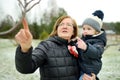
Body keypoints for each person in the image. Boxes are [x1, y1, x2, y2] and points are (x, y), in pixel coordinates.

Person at [15, 15, 95, 80]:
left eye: (68, 25)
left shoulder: (79, 47)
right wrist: (25, 49)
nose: (64, 26)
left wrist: (91, 77)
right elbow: (26, 68)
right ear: (57, 30)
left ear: (73, 31)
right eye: (61, 24)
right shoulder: (46, 46)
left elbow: (91, 66)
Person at [68, 10, 107, 80]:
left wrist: (86, 47)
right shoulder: (84, 39)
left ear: (96, 31)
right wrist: (73, 43)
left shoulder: (99, 42)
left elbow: (96, 52)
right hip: (82, 68)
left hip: (89, 71)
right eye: (84, 28)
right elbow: (78, 46)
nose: (85, 31)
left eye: (89, 29)